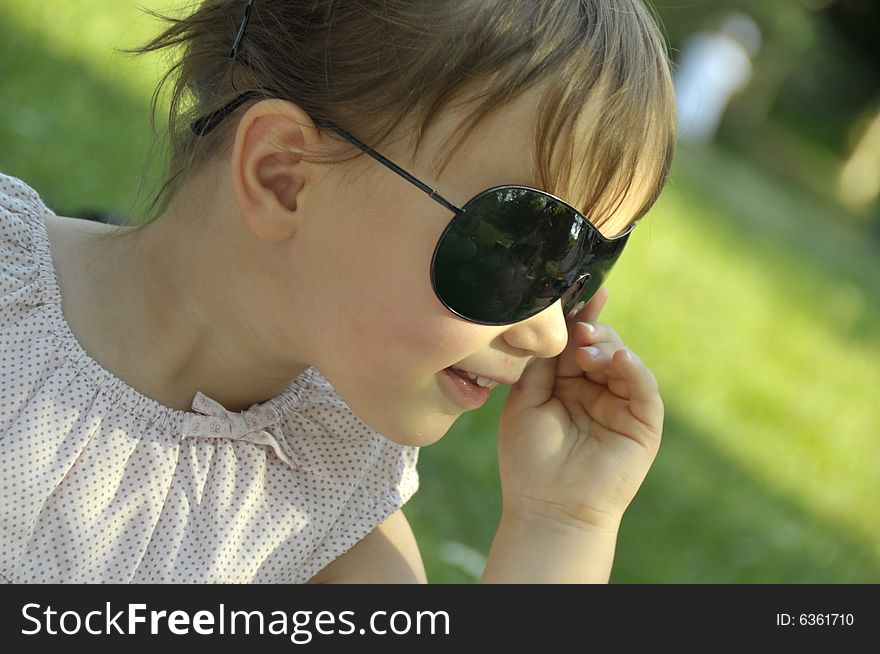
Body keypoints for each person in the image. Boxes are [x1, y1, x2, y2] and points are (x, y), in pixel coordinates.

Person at [0, 0, 674, 584]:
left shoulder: (327, 521)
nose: (550, 331)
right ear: (284, 175)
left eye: (589, 264)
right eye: (520, 247)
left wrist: (560, 522)